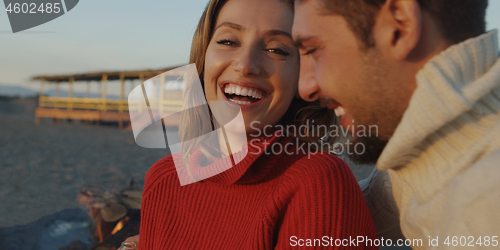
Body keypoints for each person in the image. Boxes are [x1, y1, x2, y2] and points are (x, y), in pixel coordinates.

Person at [119, 0, 379, 249]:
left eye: (277, 49)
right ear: (203, 60)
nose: (245, 65)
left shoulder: (317, 181)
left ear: (302, 77)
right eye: (228, 41)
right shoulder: (163, 179)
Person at [292, 0, 500, 247]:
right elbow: (337, 217)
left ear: (401, 25)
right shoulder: (419, 160)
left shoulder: (486, 204)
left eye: (313, 49)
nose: (305, 88)